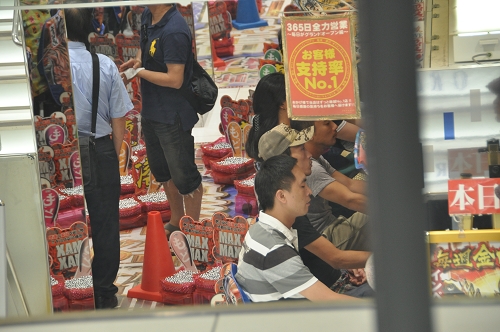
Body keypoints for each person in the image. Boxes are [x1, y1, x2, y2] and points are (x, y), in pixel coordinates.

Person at [65, 8, 133, 309]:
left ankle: (69, 289)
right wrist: (110, 152)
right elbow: (120, 118)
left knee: (67, 222)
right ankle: (103, 291)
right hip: (100, 145)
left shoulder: (55, 68)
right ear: (90, 27)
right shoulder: (104, 64)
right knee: (105, 222)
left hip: (65, 153)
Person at [258, 124, 373, 297]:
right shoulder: (287, 214)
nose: (309, 154)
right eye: (302, 149)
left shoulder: (284, 204)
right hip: (329, 289)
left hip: (334, 278)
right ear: (284, 161)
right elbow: (335, 260)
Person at [119, 3, 202, 236]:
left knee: (185, 175)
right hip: (152, 110)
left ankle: (193, 230)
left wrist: (139, 72)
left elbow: (175, 78)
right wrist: (137, 61)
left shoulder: (174, 30)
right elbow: (143, 48)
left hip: (173, 114)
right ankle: (176, 220)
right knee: (163, 171)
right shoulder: (148, 16)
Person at [236, 154, 356, 302]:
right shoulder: (275, 251)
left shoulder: (258, 228)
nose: (309, 192)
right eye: (302, 186)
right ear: (281, 196)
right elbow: (331, 300)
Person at [293, 120, 370, 252]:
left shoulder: (315, 158)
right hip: (326, 238)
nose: (335, 127)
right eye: (327, 124)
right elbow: (350, 200)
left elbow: (349, 184)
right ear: (310, 134)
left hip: (334, 224)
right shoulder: (311, 168)